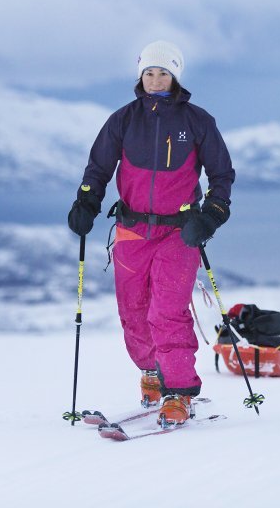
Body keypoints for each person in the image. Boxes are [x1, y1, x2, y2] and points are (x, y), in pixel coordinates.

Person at [67, 40, 235, 426]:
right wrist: (86, 203)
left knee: (167, 311)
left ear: (175, 77)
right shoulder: (123, 121)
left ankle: (178, 392)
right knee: (133, 312)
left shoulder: (197, 121)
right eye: (149, 73)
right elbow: (98, 169)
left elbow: (222, 175)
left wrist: (210, 216)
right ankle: (153, 372)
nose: (156, 79)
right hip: (131, 229)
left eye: (164, 73)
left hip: (179, 231)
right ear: (140, 76)